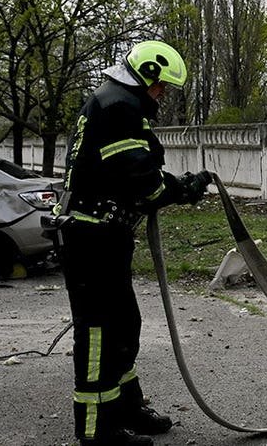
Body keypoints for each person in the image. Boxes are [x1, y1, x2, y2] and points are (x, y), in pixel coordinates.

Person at [57, 41, 211, 446]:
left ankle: (125, 406)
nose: (162, 94)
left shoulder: (114, 103)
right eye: (161, 86)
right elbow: (145, 185)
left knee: (124, 325)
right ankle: (96, 429)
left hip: (104, 234)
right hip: (93, 237)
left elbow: (132, 174)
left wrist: (173, 186)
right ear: (146, 75)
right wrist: (185, 188)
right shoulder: (119, 107)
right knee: (98, 334)